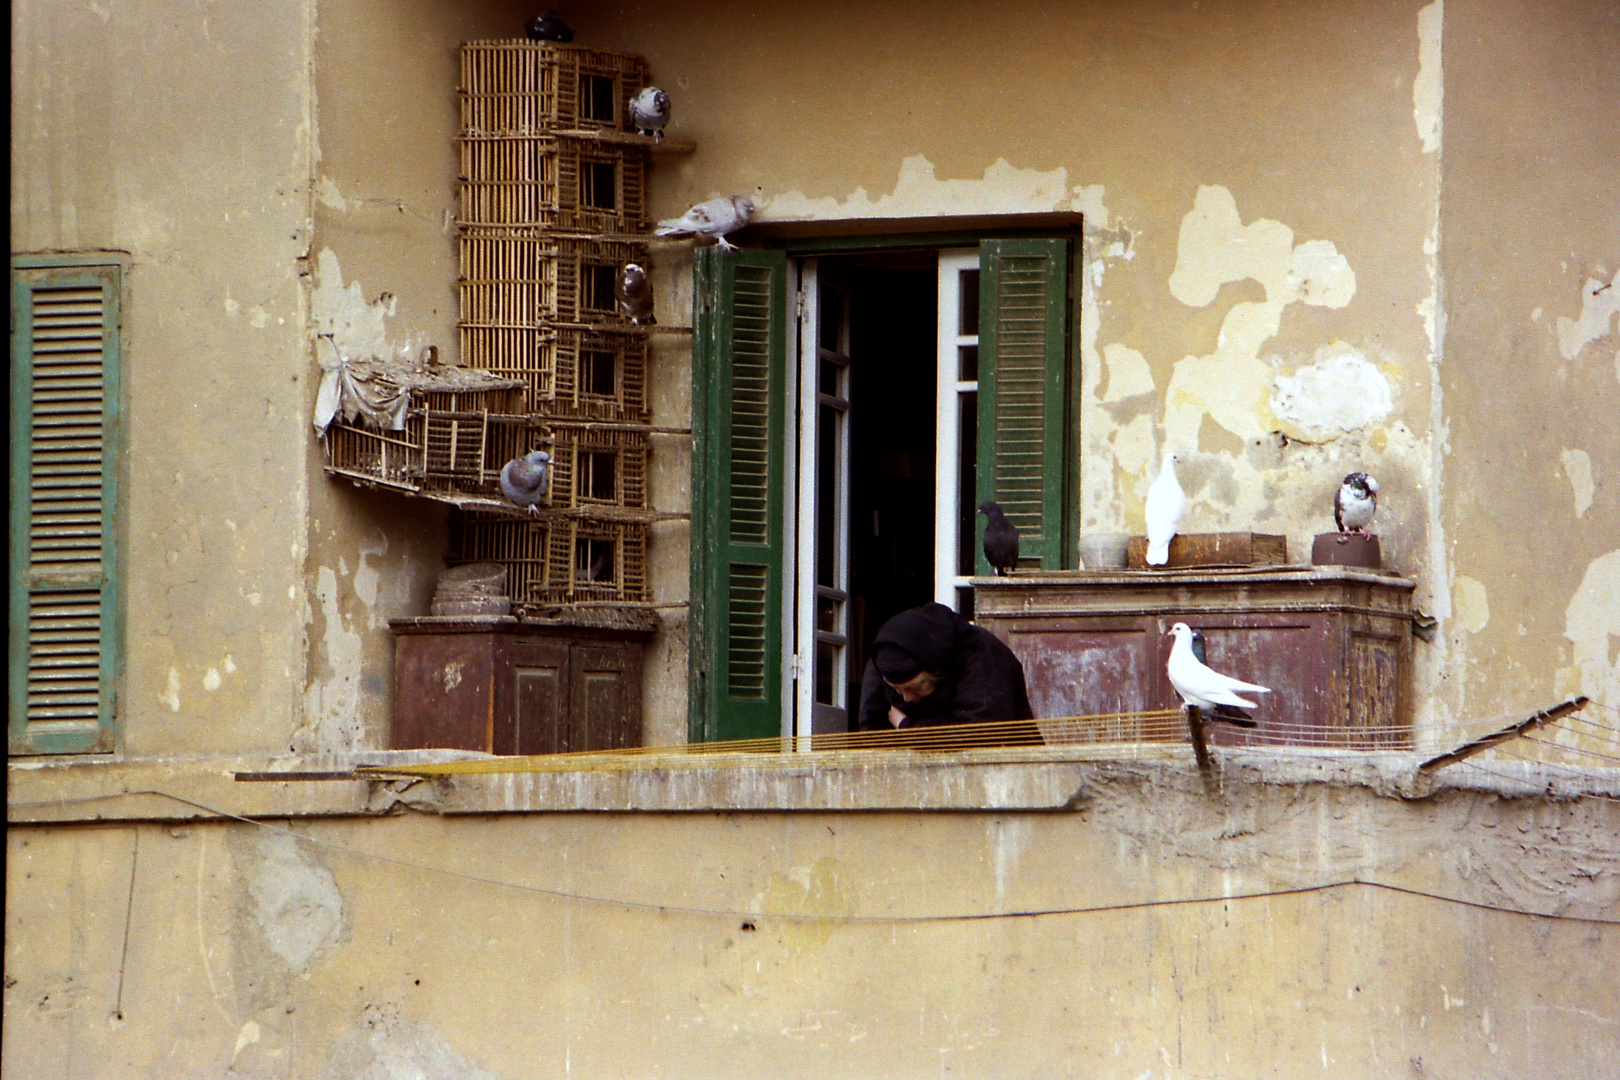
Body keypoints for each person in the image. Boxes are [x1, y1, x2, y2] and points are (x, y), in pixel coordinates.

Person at [856, 602, 1035, 738]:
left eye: (915, 687)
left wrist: (906, 726)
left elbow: (977, 733)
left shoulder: (983, 654)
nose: (906, 697)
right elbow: (872, 730)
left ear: (936, 671)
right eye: (897, 689)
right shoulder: (885, 659)